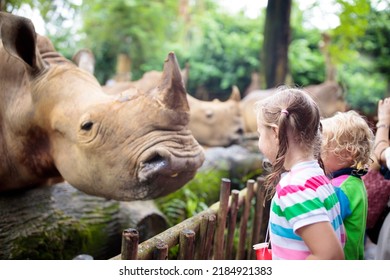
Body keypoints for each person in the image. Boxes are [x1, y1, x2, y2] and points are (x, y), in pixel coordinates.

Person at [255, 86, 345, 260]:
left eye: (260, 134)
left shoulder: (295, 188)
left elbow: (330, 257)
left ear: (275, 132)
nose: (259, 142)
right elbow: (340, 236)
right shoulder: (318, 177)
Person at [321, 111, 373, 259]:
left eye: (322, 149)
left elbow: (321, 225)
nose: (317, 155)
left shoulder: (340, 188)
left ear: (346, 154)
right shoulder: (354, 181)